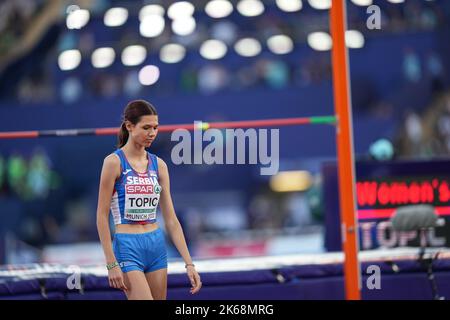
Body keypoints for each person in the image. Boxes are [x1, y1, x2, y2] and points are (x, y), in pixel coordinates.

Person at [96, 99, 202, 300]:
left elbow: (171, 220)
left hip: (155, 244)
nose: (152, 133)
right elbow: (101, 216)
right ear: (129, 126)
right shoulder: (113, 163)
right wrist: (111, 263)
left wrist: (189, 264)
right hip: (127, 245)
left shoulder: (159, 165)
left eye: (155, 127)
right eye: (146, 128)